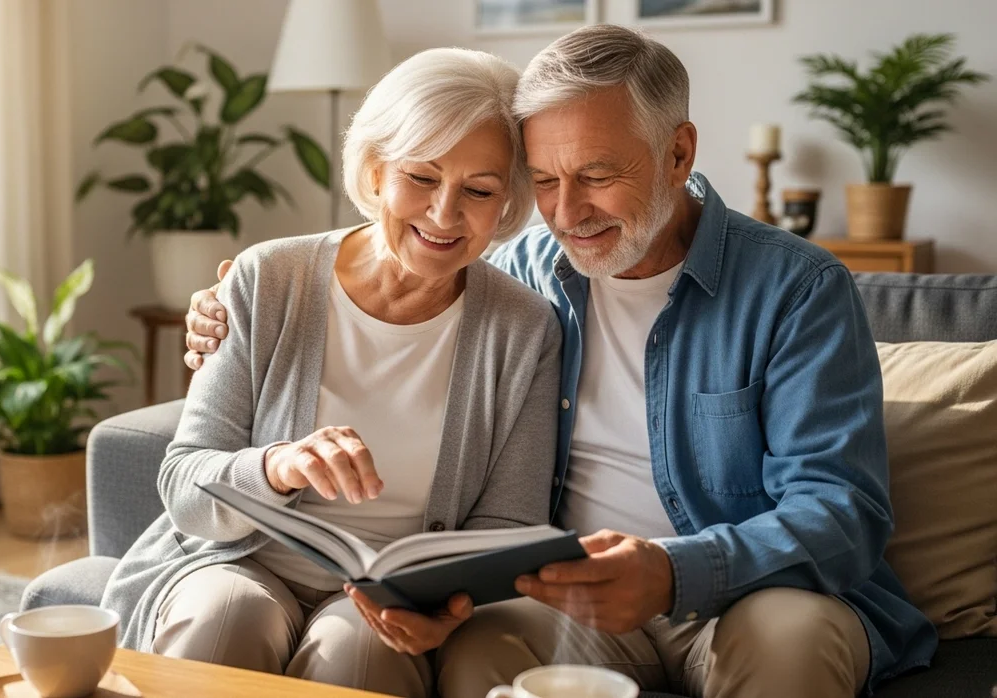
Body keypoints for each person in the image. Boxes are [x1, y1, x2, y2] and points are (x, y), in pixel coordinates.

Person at [182, 25, 937, 698]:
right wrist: (231, 301)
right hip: (567, 597)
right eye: (543, 181)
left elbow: (844, 512)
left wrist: (676, 572)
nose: (568, 212)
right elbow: (412, 231)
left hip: (748, 594)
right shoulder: (526, 272)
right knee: (482, 656)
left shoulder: (795, 289)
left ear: (678, 153)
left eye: (598, 176)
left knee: (789, 644)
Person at [100, 47, 563, 698]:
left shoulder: (525, 328)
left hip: (388, 590)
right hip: (241, 558)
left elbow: (510, 525)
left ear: (508, 202)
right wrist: (276, 466)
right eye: (422, 177)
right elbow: (183, 483)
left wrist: (448, 601)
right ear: (375, 172)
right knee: (222, 622)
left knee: (363, 654)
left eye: (479, 191)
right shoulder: (268, 278)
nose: (443, 213)